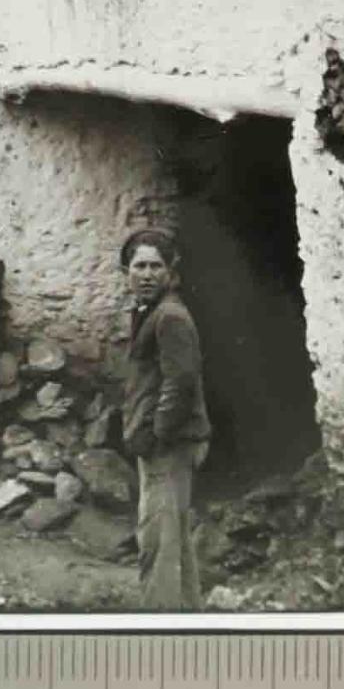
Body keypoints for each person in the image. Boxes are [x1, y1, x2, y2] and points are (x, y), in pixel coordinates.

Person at [119, 228, 211, 610]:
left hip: (168, 446)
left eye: (156, 266)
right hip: (164, 442)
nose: (146, 274)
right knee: (176, 542)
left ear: (170, 272)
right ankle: (192, 617)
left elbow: (181, 381)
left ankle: (158, 625)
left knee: (157, 544)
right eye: (138, 265)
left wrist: (157, 433)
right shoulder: (150, 313)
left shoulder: (170, 317)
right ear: (126, 271)